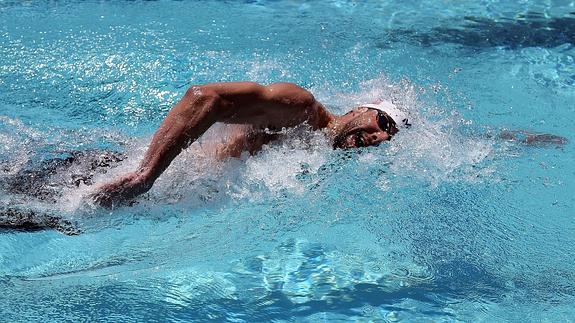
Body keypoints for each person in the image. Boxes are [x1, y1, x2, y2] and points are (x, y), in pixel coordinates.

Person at [90, 81, 410, 207]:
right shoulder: (302, 111)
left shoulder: (319, 157)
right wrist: (145, 176)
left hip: (149, 200)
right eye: (382, 122)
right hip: (116, 174)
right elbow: (206, 98)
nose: (379, 137)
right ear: (360, 109)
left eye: (388, 137)